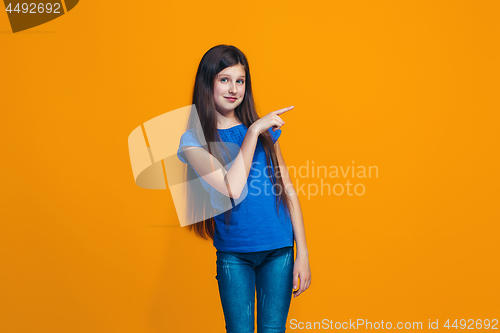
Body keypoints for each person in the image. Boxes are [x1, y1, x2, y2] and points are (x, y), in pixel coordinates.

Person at [176, 44, 311, 333]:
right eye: (224, 79)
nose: (234, 88)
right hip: (234, 254)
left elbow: (288, 190)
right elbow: (232, 188)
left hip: (280, 250)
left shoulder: (265, 132)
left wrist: (304, 253)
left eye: (240, 80)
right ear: (207, 82)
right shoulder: (193, 141)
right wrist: (252, 133)